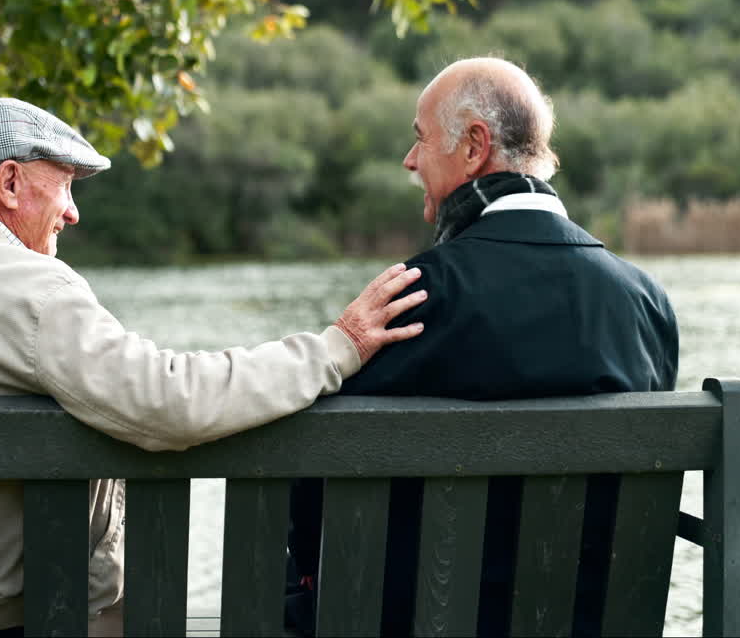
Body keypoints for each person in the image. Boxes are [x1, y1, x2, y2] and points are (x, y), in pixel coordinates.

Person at [0, 97, 430, 637]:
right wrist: (336, 348)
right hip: (9, 616)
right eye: (65, 186)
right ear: (11, 182)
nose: (72, 214)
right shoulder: (33, 288)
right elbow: (169, 403)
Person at [285, 58, 679, 636]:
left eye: (419, 139)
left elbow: (322, 460)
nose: (410, 160)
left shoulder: (417, 296)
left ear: (474, 148)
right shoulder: (647, 303)